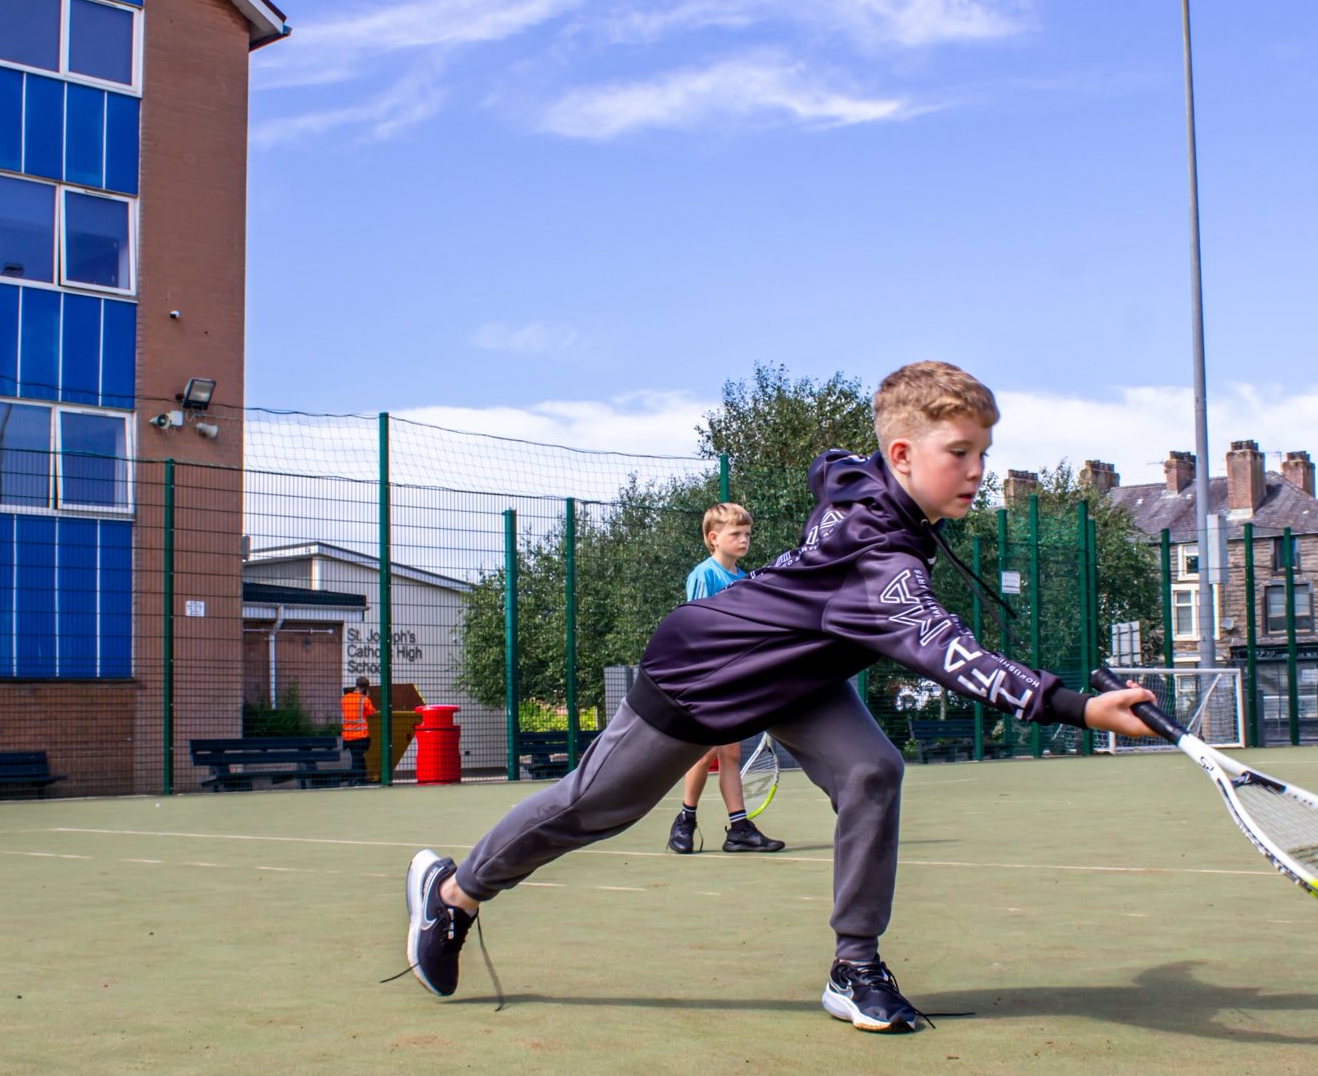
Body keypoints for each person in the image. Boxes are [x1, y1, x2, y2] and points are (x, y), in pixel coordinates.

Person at [405, 361, 1155, 1032]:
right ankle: (455, 895)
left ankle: (853, 968)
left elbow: (829, 468)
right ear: (901, 456)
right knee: (593, 808)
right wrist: (1077, 708)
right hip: (703, 672)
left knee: (870, 770)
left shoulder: (865, 485)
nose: (976, 470)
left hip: (800, 679)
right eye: (958, 453)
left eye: (981, 452)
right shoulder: (879, 560)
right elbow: (948, 653)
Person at [667, 502, 785, 855]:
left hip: (733, 680)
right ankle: (687, 821)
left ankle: (737, 829)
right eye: (736, 533)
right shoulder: (705, 575)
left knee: (729, 754)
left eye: (747, 533)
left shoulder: (745, 579)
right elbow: (698, 629)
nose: (744, 539)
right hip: (707, 680)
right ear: (713, 538)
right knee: (704, 755)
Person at [340, 676, 377, 779]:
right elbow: (372, 713)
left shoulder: (344, 699)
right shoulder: (364, 699)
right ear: (365, 688)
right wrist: (368, 698)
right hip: (359, 736)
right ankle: (358, 780)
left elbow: (349, 713)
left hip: (347, 736)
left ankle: (355, 779)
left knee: (356, 758)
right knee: (359, 759)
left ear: (356, 685)